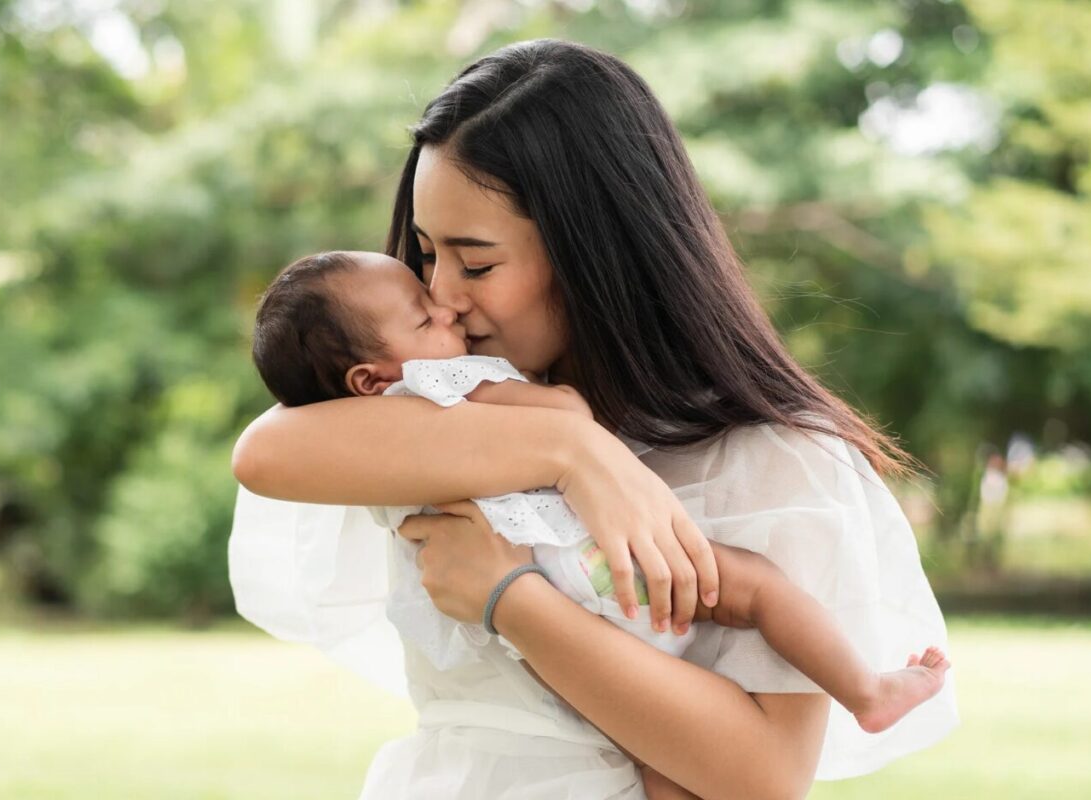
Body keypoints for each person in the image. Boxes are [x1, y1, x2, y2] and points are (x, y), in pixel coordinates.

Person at [228, 39, 958, 800]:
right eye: (425, 254)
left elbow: (763, 778)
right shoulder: (445, 418)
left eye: (475, 263)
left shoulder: (769, 461)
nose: (441, 294)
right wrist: (572, 448)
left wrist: (511, 598)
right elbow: (265, 454)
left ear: (593, 254)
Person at [245, 247, 952, 743]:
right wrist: (562, 426)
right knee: (758, 589)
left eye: (472, 265)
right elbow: (566, 418)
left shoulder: (363, 441)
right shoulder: (438, 385)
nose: (448, 309)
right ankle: (865, 689)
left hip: (555, 603)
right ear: (369, 378)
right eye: (424, 313)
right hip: (592, 569)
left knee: (651, 749)